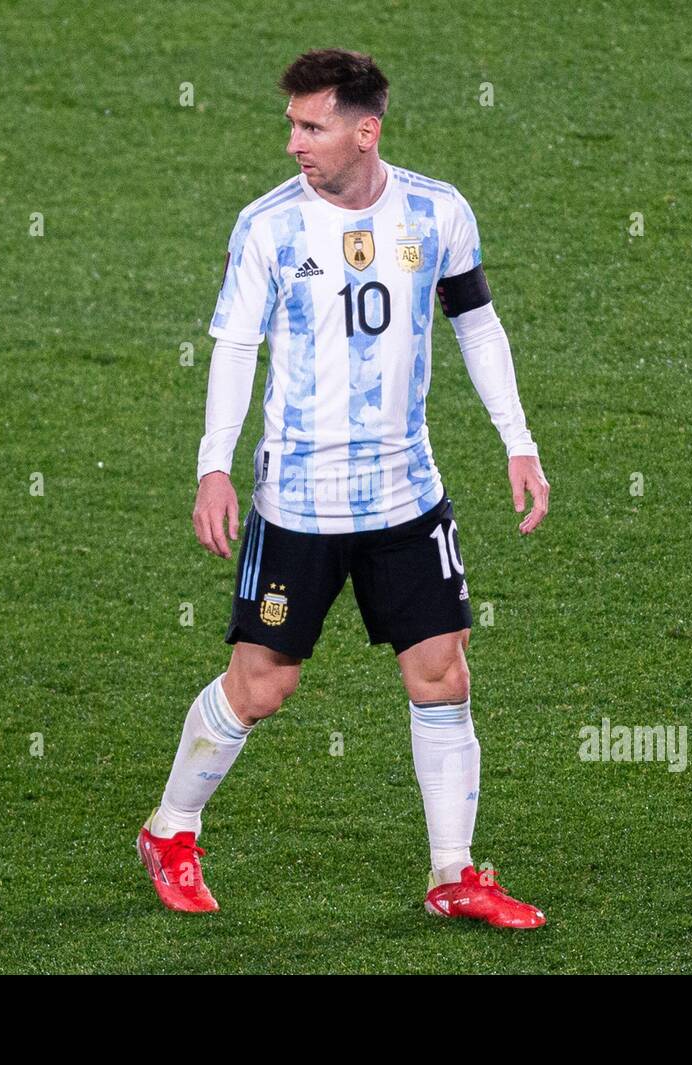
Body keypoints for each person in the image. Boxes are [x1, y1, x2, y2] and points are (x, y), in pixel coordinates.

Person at [138, 48, 550, 929]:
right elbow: (235, 350)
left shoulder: (438, 211)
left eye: (311, 125)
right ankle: (172, 829)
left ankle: (454, 874)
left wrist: (518, 440)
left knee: (442, 674)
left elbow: (476, 323)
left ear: (366, 131)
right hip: (300, 504)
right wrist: (215, 463)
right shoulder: (268, 228)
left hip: (407, 493)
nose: (294, 142)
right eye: (292, 124)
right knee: (261, 684)